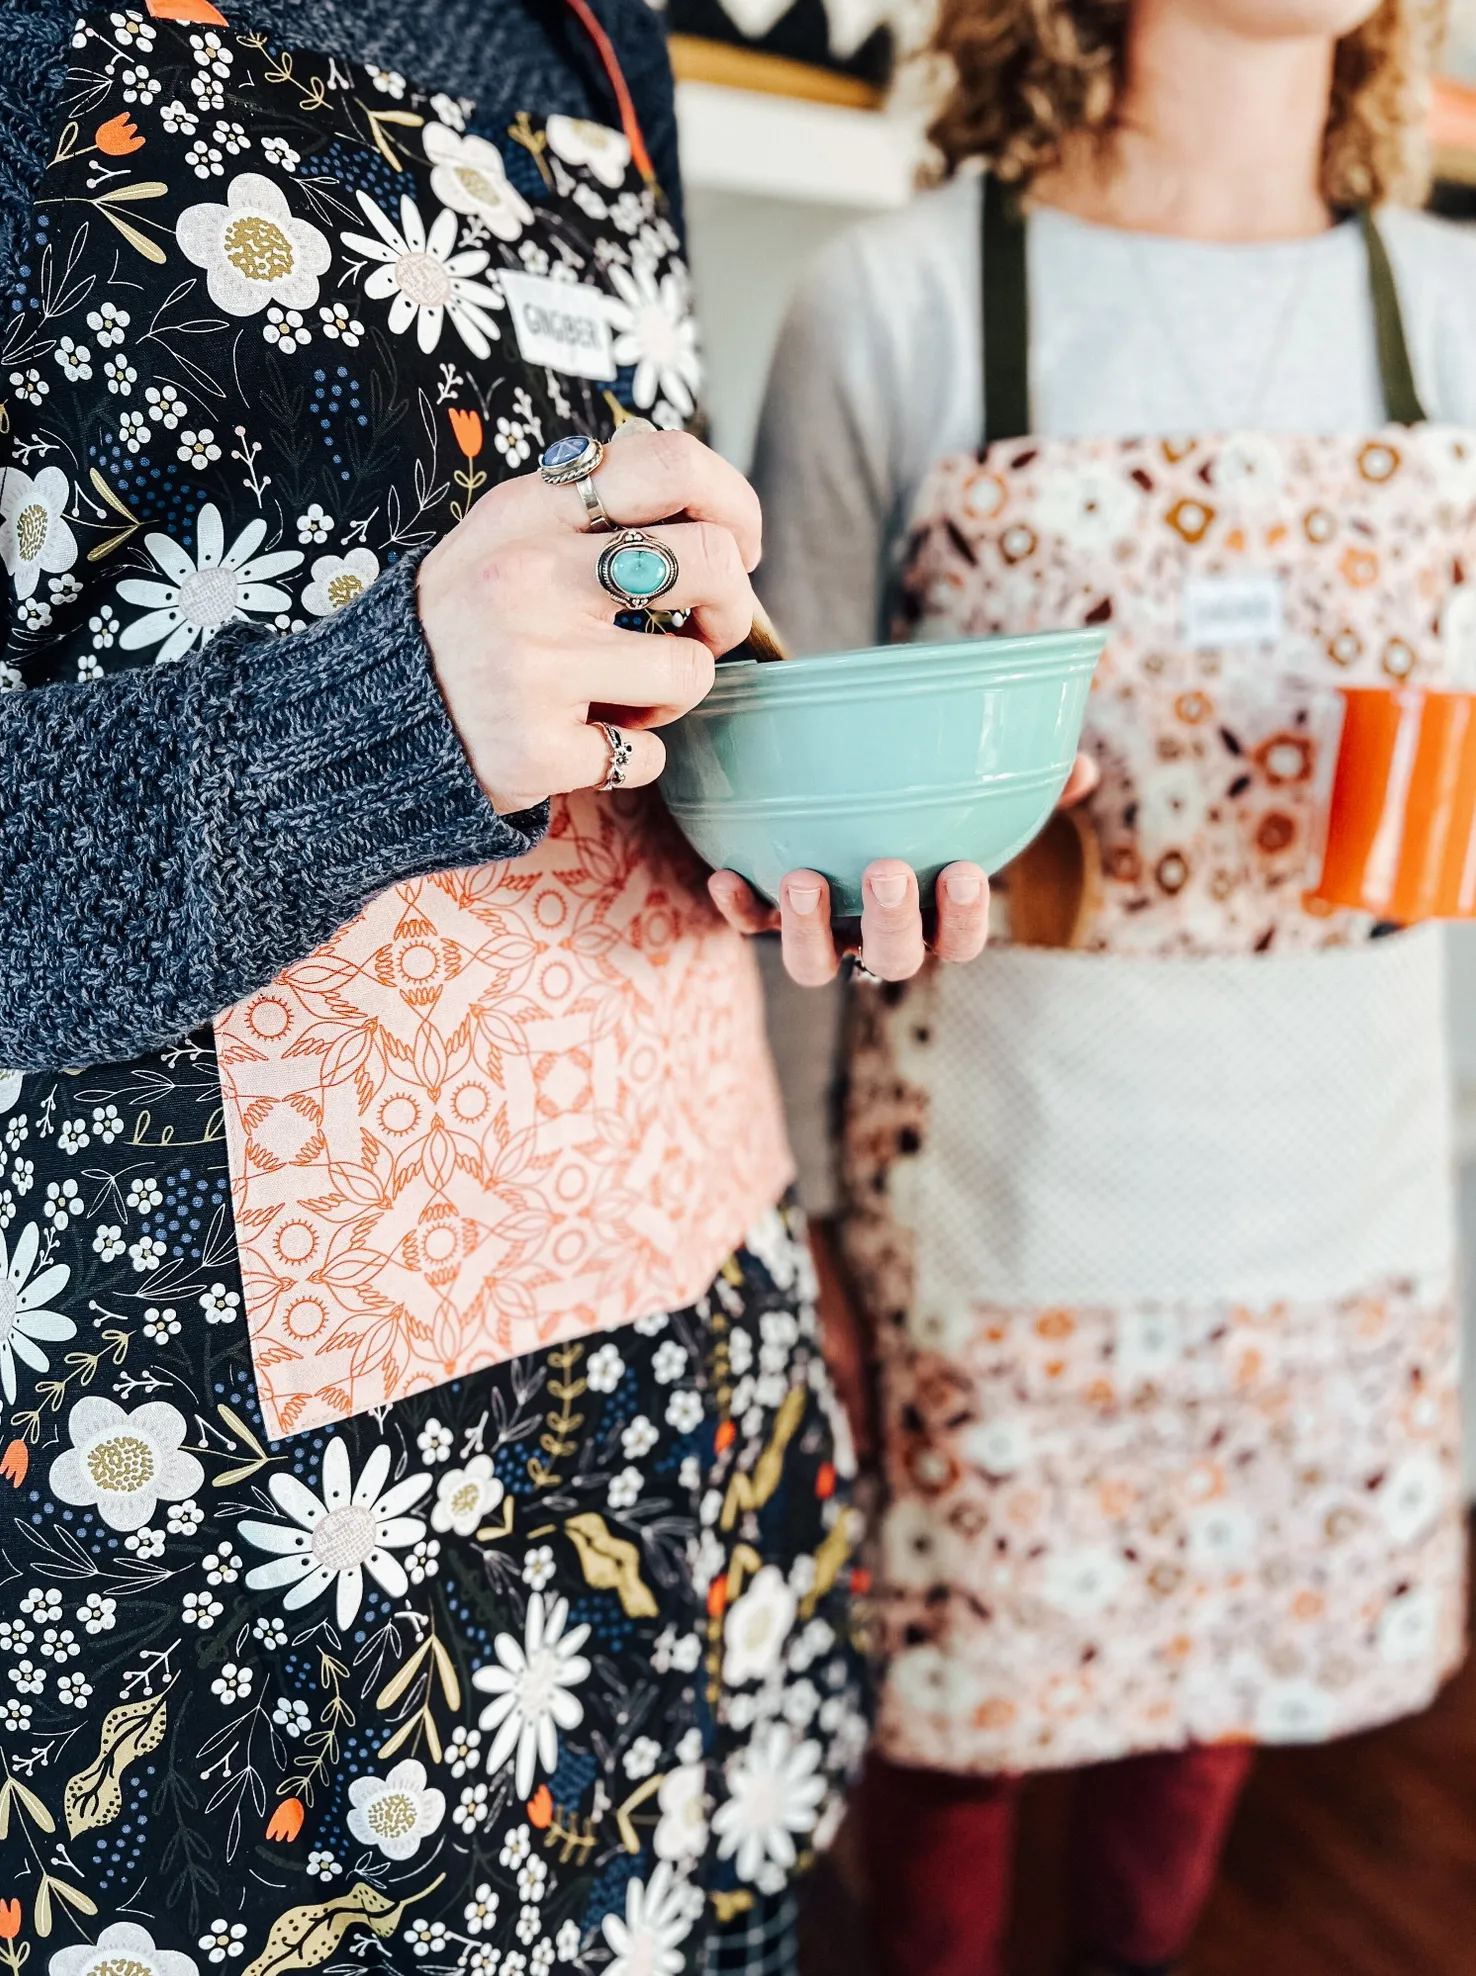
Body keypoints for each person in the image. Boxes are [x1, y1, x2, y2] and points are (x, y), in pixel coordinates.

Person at [0, 2, 995, 1971]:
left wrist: (777, 807)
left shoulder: (606, 37)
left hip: (668, 1413)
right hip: (253, 1526)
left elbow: (627, 681)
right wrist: (381, 725)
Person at [753, 0, 1474, 1970]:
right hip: (1004, 1180)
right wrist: (794, 1209)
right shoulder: (898, 303)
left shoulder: (1459, 303)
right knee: (955, 1717)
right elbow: (769, 832)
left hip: (1339, 1167)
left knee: (1215, 1690)